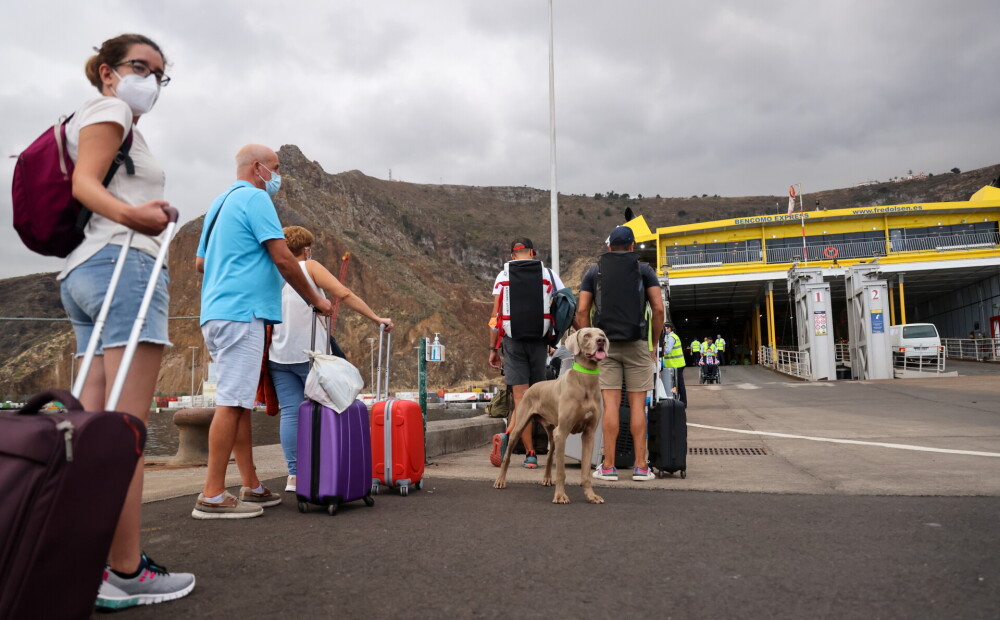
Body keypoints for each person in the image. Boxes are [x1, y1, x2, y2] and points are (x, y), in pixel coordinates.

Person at [57, 33, 195, 609]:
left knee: (86, 431)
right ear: (109, 72)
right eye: (140, 67)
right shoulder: (110, 108)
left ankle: (79, 561)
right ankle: (125, 571)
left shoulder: (97, 118)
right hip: (124, 268)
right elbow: (83, 185)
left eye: (159, 74)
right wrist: (136, 216)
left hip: (83, 275)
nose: (150, 81)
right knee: (125, 434)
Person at [193, 145, 333, 519]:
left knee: (237, 402)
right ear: (258, 168)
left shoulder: (218, 205)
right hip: (243, 313)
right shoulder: (255, 200)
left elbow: (200, 264)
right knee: (232, 404)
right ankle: (212, 494)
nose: (277, 175)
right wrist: (315, 300)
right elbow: (284, 258)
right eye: (275, 168)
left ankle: (251, 485)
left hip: (217, 313)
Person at [267, 226, 393, 493]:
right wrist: (376, 318)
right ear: (307, 249)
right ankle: (333, 467)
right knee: (334, 406)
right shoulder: (309, 267)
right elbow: (343, 294)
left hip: (278, 355)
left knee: (290, 413)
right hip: (311, 356)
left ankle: (294, 476)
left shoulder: (274, 271)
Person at [575, 226, 664, 482]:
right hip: (637, 343)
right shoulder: (645, 270)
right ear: (633, 246)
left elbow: (581, 312)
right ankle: (641, 467)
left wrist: (589, 345)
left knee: (610, 405)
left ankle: (609, 467)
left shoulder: (594, 271)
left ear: (610, 247)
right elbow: (658, 309)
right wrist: (653, 344)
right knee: (638, 406)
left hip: (604, 346)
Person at [488, 237, 565, 469]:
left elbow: (495, 318)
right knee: (538, 399)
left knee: (521, 400)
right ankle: (540, 454)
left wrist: (493, 349)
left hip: (512, 342)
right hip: (539, 342)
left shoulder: (503, 276)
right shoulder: (549, 275)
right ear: (533, 252)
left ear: (512, 255)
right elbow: (564, 306)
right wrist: (554, 339)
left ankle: (526, 449)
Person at [662, 324, 687, 405]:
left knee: (679, 384)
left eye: (667, 328)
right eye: (664, 328)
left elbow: (668, 350)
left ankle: (683, 402)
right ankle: (678, 401)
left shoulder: (672, 337)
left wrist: (661, 348)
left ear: (670, 329)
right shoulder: (670, 337)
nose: (665, 329)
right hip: (675, 364)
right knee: (676, 384)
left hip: (677, 364)